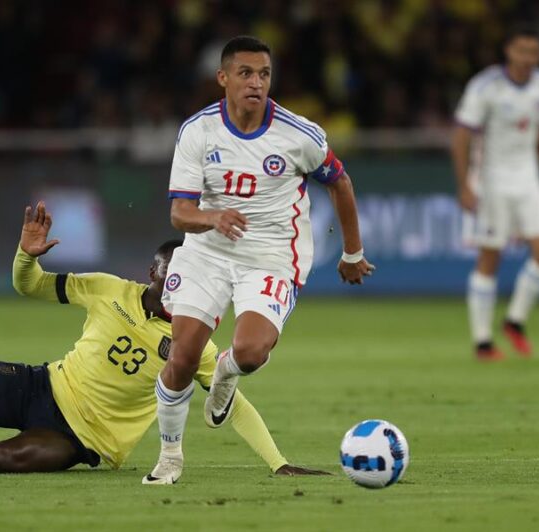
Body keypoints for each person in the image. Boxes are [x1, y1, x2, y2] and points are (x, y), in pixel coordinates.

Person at [0, 202, 324, 477]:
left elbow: (235, 404)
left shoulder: (195, 342)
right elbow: (30, 286)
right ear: (154, 271)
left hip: (80, 440)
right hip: (39, 386)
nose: (179, 285)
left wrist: (277, 462)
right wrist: (26, 255)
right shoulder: (108, 289)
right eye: (172, 274)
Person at [144, 36, 373, 485]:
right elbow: (180, 213)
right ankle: (170, 457)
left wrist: (353, 253)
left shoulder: (298, 135)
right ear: (223, 78)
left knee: (250, 353)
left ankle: (227, 372)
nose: (256, 83)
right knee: (183, 356)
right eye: (245, 73)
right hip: (207, 249)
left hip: (270, 253)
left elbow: (340, 183)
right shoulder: (198, 131)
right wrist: (212, 217)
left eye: (264, 74)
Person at [451, 27, 539, 361]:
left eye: (534, 52)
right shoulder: (486, 87)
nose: (527, 58)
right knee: (490, 256)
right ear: (509, 51)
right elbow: (461, 136)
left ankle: (514, 320)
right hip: (492, 180)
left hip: (528, 178)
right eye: (521, 50)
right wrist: (465, 184)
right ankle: (482, 341)